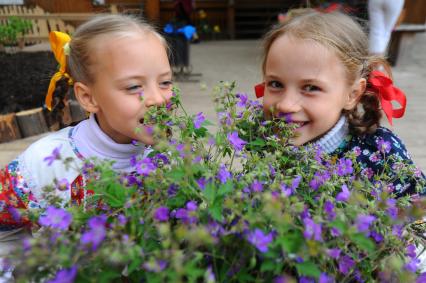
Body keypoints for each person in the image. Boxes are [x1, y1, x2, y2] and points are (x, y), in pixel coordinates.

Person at [0, 13, 173, 278]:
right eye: (134, 86)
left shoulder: (171, 158)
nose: (158, 99)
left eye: (165, 82)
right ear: (88, 97)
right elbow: (4, 230)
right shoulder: (45, 162)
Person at [254, 9, 424, 197]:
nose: (286, 105)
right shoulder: (259, 138)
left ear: (352, 94)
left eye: (310, 88)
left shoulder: (382, 153)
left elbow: (419, 214)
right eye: (276, 84)